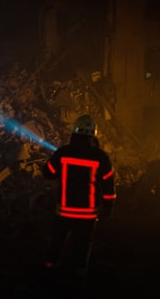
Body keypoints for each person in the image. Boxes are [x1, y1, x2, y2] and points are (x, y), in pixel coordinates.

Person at [41, 114, 116, 281]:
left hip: (64, 210)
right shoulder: (101, 157)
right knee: (82, 245)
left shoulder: (64, 152)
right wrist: (108, 208)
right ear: (93, 134)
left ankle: (49, 270)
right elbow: (108, 186)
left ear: (74, 131)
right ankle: (78, 276)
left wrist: (47, 164)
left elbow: (49, 173)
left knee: (57, 241)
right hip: (87, 213)